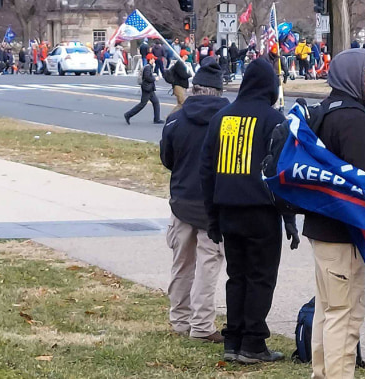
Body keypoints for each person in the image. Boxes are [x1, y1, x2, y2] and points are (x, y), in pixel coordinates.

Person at [200, 57, 300, 364]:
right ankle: (254, 342)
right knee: (261, 277)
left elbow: (206, 170)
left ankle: (234, 339)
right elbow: (283, 174)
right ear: (271, 86)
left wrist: (212, 217)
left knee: (237, 276)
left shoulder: (222, 117)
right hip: (261, 212)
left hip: (227, 209)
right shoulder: (274, 120)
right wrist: (289, 220)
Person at [304, 48, 365, 379]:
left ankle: (322, 373)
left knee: (327, 310)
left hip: (323, 229)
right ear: (353, 76)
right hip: (344, 234)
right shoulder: (352, 118)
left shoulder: (326, 111)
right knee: (344, 315)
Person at [160, 58, 230, 344]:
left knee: (182, 264)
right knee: (208, 264)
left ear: (195, 88)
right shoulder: (228, 120)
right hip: (214, 204)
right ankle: (202, 325)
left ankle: (179, 319)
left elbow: (168, 160)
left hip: (182, 201)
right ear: (218, 91)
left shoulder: (176, 118)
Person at [124, 53, 163, 125]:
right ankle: (128, 114)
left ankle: (157, 119)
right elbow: (147, 77)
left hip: (149, 88)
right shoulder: (148, 67)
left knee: (156, 102)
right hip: (147, 88)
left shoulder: (149, 67)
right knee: (142, 104)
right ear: (150, 60)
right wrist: (155, 78)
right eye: (153, 59)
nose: (154, 60)